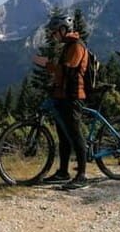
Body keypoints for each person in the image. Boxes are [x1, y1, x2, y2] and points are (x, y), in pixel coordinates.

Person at [32, 14, 89, 190]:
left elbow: (66, 71)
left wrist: (47, 64)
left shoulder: (76, 46)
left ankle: (82, 176)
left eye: (55, 32)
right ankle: (63, 172)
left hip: (73, 96)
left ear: (64, 30)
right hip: (62, 96)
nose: (53, 35)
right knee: (63, 136)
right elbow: (61, 73)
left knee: (75, 134)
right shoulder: (67, 46)